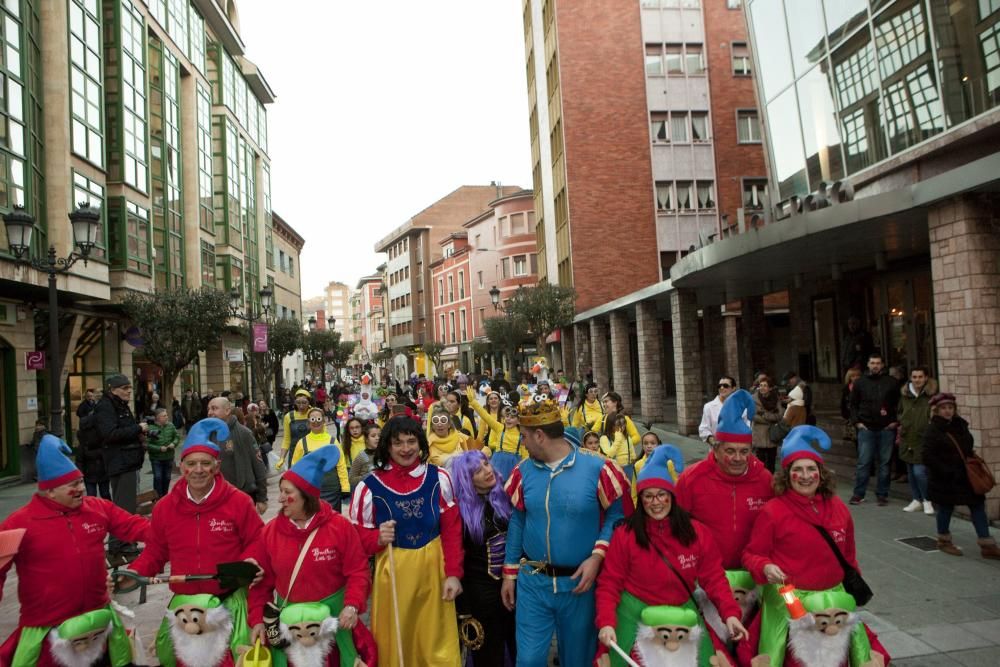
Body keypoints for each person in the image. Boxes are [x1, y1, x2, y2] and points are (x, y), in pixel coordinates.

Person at [743, 426, 890, 667]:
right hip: (790, 595)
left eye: (811, 469)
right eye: (797, 470)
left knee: (859, 650)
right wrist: (766, 566)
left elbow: (849, 556)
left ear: (820, 474)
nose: (805, 475)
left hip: (833, 596)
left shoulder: (839, 508)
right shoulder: (772, 512)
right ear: (787, 475)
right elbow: (752, 554)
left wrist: (852, 586)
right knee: (777, 651)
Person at [500, 396, 630, 667]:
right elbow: (518, 522)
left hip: (579, 586)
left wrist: (597, 557)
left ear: (539, 436)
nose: (521, 442)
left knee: (577, 661)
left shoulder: (599, 467)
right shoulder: (523, 471)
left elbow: (617, 518)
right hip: (533, 583)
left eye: (523, 436)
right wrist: (510, 574)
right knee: (529, 660)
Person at [124, 418, 265, 667]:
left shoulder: (239, 501)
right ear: (181, 466)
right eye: (191, 464)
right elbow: (156, 551)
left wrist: (252, 559)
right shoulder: (166, 507)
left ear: (217, 466)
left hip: (227, 605)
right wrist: (134, 573)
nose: (198, 469)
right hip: (186, 611)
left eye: (205, 463)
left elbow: (258, 541)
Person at [0, 435, 149, 666]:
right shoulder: (18, 522)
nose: (81, 488)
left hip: (97, 623)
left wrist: (178, 529)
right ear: (50, 491)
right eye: (73, 485)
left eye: (81, 481)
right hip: (49, 629)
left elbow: (139, 528)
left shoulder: (98, 509)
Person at [596, 446, 746, 666]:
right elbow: (609, 582)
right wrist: (607, 622)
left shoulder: (696, 532)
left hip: (680, 609)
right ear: (641, 500)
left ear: (672, 497)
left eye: (661, 495)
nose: (655, 502)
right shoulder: (625, 534)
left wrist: (730, 614)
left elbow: (714, 578)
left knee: (707, 661)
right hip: (634, 611)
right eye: (648, 496)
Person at [347, 415, 465, 666]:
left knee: (436, 642)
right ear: (387, 446)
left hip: (434, 571)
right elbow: (356, 539)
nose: (406, 449)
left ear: (421, 443)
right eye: (398, 443)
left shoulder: (439, 478)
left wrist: (453, 573)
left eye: (411, 441)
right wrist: (376, 537)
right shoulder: (368, 487)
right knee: (397, 640)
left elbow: (452, 530)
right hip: (394, 573)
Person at [247, 446, 377, 666]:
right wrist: (258, 619)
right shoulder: (269, 532)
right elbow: (261, 584)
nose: (280, 499)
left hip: (332, 627)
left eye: (287, 493)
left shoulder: (339, 527)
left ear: (306, 496)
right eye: (280, 491)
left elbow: (358, 572)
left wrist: (352, 605)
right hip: (292, 631)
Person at [675, 389, 773, 571]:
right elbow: (676, 526)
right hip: (706, 575)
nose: (738, 458)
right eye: (730, 451)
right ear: (716, 450)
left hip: (753, 573)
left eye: (744, 451)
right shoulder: (692, 478)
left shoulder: (764, 479)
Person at [451, 451, 517, 666]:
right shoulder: (459, 513)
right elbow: (456, 559)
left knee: (518, 648)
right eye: (477, 471)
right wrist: (464, 608)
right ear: (466, 479)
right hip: (480, 594)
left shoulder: (507, 496)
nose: (487, 471)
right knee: (489, 654)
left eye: (486, 464)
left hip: (515, 587)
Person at [923, 393, 1000, 559]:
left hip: (965, 475)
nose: (947, 411)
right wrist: (946, 471)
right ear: (936, 410)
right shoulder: (933, 429)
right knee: (945, 508)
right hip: (946, 478)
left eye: (950, 408)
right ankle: (943, 540)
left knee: (978, 505)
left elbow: (967, 445)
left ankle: (987, 545)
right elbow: (928, 456)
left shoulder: (960, 425)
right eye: (943, 408)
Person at [94, 373, 148, 561]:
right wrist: (138, 429)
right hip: (120, 461)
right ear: (113, 389)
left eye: (129, 388)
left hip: (127, 460)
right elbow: (110, 434)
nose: (129, 391)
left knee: (126, 503)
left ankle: (124, 541)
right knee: (123, 505)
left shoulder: (118, 404)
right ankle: (121, 544)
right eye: (125, 388)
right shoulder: (106, 407)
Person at [849, 352, 900, 506]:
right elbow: (853, 404)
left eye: (878, 363)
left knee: (884, 464)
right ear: (868, 365)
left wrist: (895, 421)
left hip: (886, 428)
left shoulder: (891, 382)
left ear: (882, 365)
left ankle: (882, 494)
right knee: (864, 462)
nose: (875, 366)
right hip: (866, 428)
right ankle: (858, 494)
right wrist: (857, 422)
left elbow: (899, 404)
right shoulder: (860, 383)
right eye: (872, 363)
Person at [208, 397, 268, 515]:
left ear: (227, 410)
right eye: (208, 409)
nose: (210, 412)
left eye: (214, 408)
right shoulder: (208, 434)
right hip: (216, 496)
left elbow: (258, 466)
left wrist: (262, 498)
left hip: (242, 494)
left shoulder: (244, 433)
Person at [288, 407, 350, 509]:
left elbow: (341, 466)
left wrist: (345, 487)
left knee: (332, 521)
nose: (316, 422)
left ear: (323, 421)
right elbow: (295, 468)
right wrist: (295, 488)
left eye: (318, 419)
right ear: (308, 422)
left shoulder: (333, 441)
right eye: (312, 419)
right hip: (309, 490)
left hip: (332, 490)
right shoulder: (302, 443)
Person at [897, 366, 937, 514]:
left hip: (923, 437)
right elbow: (900, 411)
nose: (917, 380)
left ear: (926, 378)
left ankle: (927, 499)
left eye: (920, 377)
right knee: (910, 471)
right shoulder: (905, 395)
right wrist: (902, 421)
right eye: (914, 377)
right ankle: (916, 499)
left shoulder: (931, 395)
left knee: (920, 471)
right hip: (907, 436)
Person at [467, 388, 524, 480]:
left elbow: (525, 455)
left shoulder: (522, 434)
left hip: (514, 463)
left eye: (513, 417)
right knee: (495, 484)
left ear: (518, 421)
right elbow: (485, 416)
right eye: (507, 416)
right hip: (498, 461)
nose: (508, 419)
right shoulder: (500, 428)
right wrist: (473, 402)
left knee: (510, 487)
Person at [594, 392, 642, 477]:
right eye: (603, 402)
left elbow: (637, 437)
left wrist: (622, 444)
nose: (604, 404)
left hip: (625, 464)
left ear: (615, 402)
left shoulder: (625, 419)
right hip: (607, 463)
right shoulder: (601, 419)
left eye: (606, 401)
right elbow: (592, 435)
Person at [77, 389, 110, 500]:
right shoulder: (99, 435)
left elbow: (80, 459)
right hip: (95, 471)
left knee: (94, 496)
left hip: (93, 471)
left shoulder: (85, 438)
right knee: (102, 494)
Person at [147, 407, 180, 499]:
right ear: (158, 418)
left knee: (167, 478)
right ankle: (157, 497)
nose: (167, 417)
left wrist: (174, 443)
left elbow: (177, 437)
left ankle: (164, 497)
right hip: (156, 458)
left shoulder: (171, 426)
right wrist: (159, 448)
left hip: (169, 457)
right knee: (158, 478)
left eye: (167, 415)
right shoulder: (150, 428)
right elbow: (147, 444)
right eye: (164, 416)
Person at [752, 376, 782, 472]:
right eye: (761, 385)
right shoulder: (753, 399)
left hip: (771, 435)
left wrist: (764, 415)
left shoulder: (776, 399)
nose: (762, 388)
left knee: (771, 463)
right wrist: (770, 419)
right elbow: (753, 416)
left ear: (770, 388)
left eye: (765, 386)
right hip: (759, 435)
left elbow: (779, 416)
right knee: (760, 463)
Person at [699, 376, 741, 445]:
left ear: (733, 388)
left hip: (737, 448)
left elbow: (746, 427)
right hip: (718, 449)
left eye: (725, 386)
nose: (722, 388)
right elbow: (703, 429)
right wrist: (712, 440)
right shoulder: (709, 407)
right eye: (719, 386)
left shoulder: (741, 407)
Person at [278, 389, 314, 467]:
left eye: (304, 402)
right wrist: (282, 458)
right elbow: (286, 440)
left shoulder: (314, 414)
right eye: (298, 402)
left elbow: (323, 434)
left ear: (309, 402)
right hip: (295, 455)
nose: (301, 406)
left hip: (312, 454)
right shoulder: (289, 416)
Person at [349, 423, 380, 491]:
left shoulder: (385, 453)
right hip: (367, 495)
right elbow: (351, 479)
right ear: (366, 439)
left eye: (379, 436)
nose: (377, 438)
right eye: (373, 436)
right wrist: (367, 476)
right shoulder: (361, 456)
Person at [840, 367, 863, 444]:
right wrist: (845, 415)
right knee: (854, 438)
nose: (855, 378)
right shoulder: (846, 388)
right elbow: (843, 403)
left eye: (857, 376)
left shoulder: (863, 387)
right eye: (853, 376)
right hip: (850, 414)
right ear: (849, 377)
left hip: (861, 414)